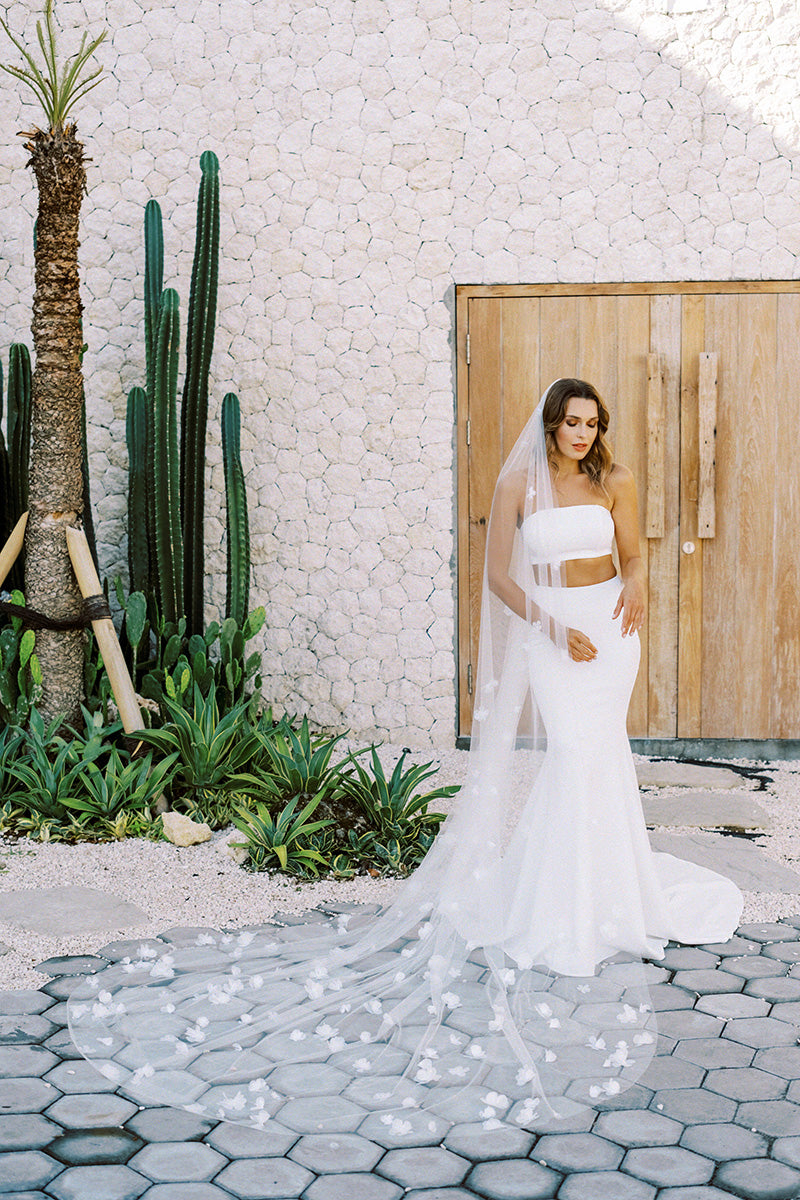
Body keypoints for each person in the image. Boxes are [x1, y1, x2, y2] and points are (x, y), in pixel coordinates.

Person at [68, 379, 742, 1132]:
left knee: (603, 752)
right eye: (571, 422)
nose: (582, 433)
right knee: (575, 755)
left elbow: (634, 554)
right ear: (551, 426)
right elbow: (499, 578)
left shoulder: (615, 478)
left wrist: (640, 584)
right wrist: (553, 627)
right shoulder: (518, 485)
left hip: (612, 632)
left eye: (591, 422)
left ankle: (613, 896)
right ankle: (567, 901)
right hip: (555, 633)